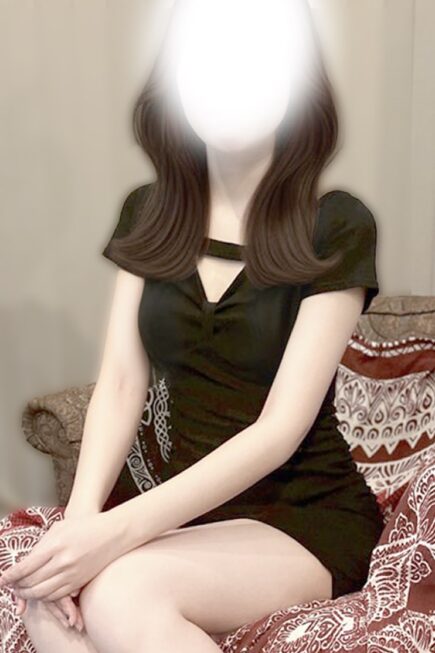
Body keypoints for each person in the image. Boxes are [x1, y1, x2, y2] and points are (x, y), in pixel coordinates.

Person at [1, 1, 385, 651]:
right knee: (48, 607)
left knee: (119, 593)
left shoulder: (336, 224)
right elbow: (121, 383)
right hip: (180, 509)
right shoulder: (148, 212)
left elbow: (279, 430)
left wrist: (114, 536)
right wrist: (80, 526)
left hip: (299, 514)